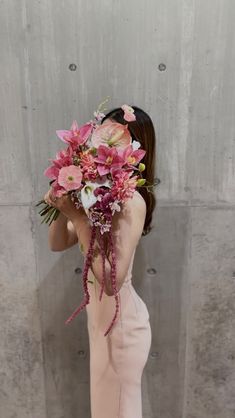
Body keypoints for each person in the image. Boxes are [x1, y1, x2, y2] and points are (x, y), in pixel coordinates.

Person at [44, 105, 157, 418]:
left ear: (133, 150)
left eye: (112, 141)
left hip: (122, 328)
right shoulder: (94, 196)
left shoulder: (131, 201)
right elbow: (57, 244)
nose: (99, 148)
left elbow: (110, 281)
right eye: (98, 137)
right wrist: (60, 205)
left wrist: (78, 217)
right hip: (101, 326)